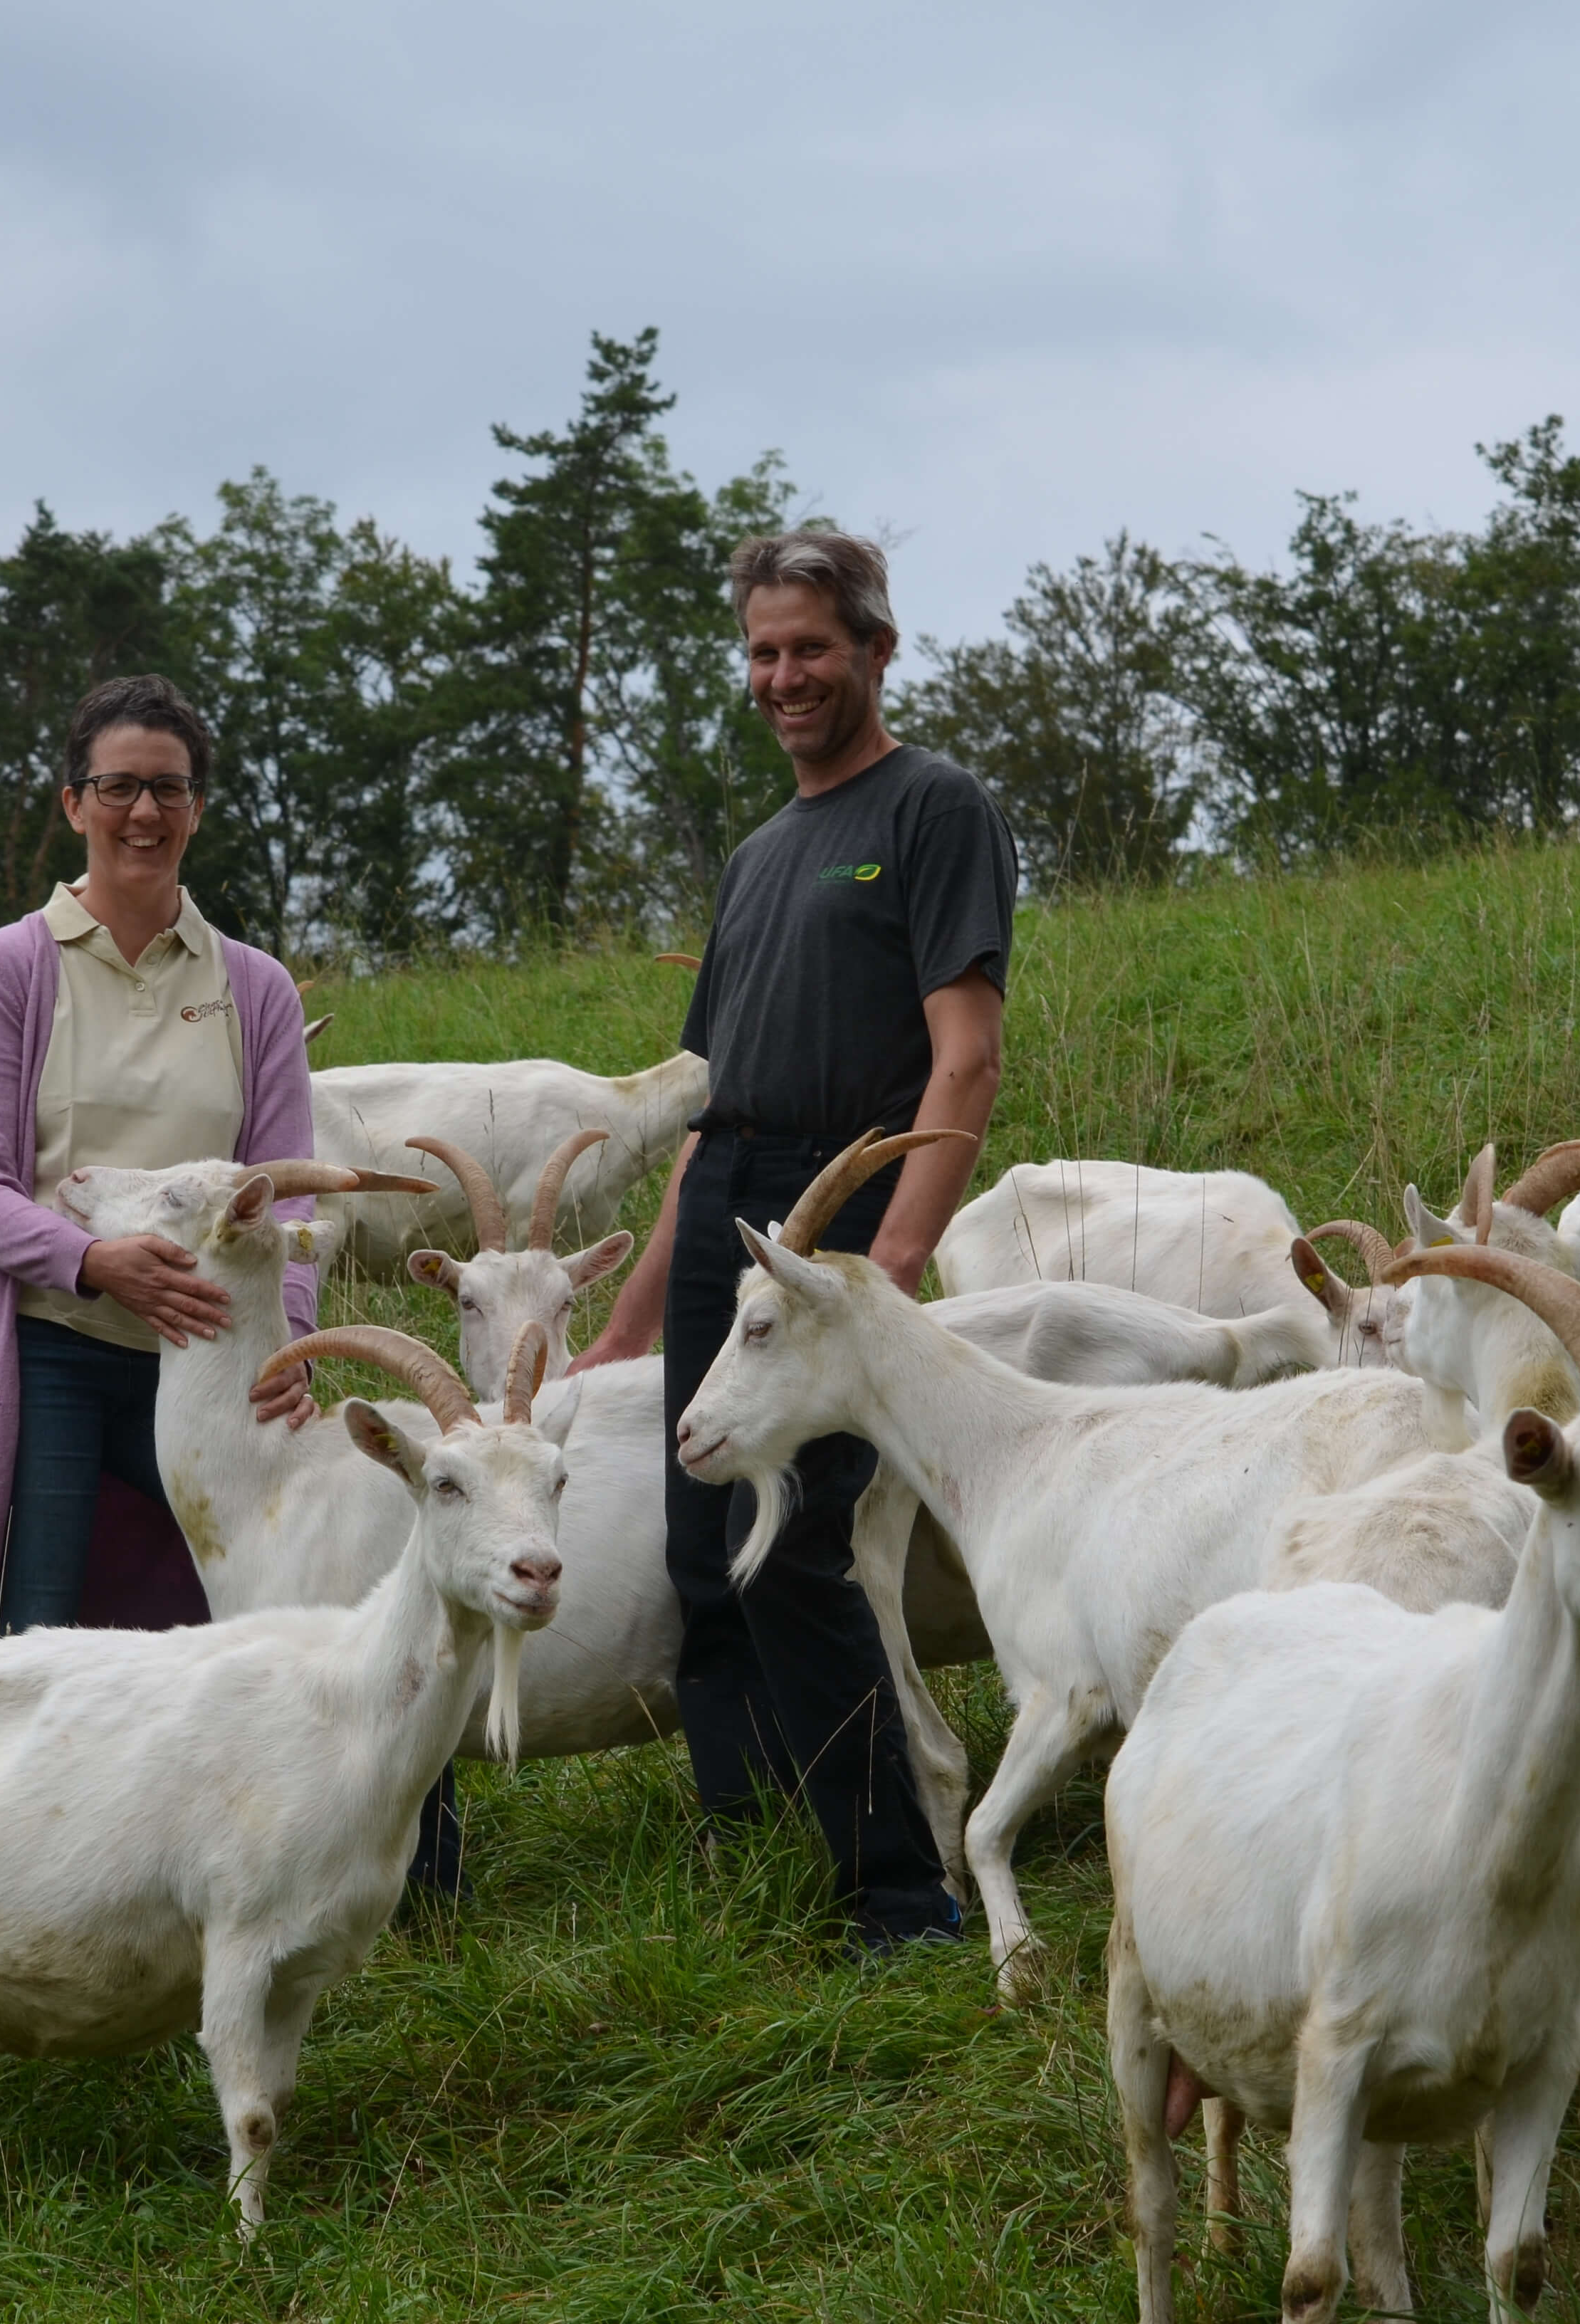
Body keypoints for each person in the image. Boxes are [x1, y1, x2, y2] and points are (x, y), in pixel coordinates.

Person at [573, 528, 1014, 1954]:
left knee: (797, 1547)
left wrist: (885, 1272)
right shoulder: (761, 857)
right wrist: (631, 1321)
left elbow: (964, 1060)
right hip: (731, 1205)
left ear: (877, 649)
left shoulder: (932, 808)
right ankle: (762, 1857)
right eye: (763, 652)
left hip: (835, 1213)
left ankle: (902, 1897)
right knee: (703, 1553)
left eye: (811, 647)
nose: (784, 676)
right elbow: (711, 1114)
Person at [0, 674, 321, 1644]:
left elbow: (287, 1196)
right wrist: (94, 1262)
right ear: (75, 804)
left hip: (210, 1353)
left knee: (262, 1621)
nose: (144, 812)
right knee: (27, 1640)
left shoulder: (255, 988)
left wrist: (289, 1344)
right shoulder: (8, 969)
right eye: (118, 787)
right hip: (47, 1348)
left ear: (198, 809)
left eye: (169, 788)